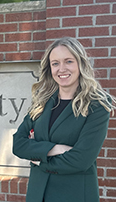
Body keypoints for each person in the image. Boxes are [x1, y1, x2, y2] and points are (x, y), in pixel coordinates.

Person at [12, 37, 115, 202]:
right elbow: (18, 144)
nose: (62, 69)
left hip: (74, 194)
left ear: (80, 64)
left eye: (68, 61)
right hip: (37, 194)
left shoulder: (97, 104)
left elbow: (81, 160)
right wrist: (55, 149)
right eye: (55, 63)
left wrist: (39, 159)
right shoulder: (42, 100)